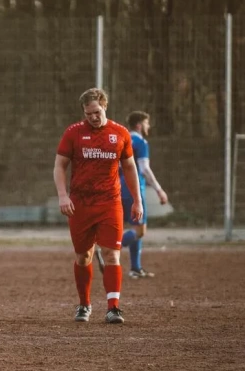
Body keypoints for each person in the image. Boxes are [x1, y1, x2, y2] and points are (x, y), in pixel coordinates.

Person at [53, 88, 144, 324]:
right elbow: (60, 166)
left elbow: (130, 168)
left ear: (105, 107)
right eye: (88, 113)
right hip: (80, 204)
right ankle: (84, 305)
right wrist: (63, 196)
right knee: (83, 257)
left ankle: (113, 307)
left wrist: (137, 200)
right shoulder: (73, 133)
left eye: (96, 112)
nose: (93, 117)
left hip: (109, 202)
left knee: (111, 254)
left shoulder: (120, 133)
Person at [97, 111, 168, 279]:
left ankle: (135, 267)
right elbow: (144, 169)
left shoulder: (121, 139)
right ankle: (106, 249)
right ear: (139, 125)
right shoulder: (140, 142)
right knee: (140, 231)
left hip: (117, 188)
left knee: (133, 228)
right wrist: (159, 189)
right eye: (146, 123)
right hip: (133, 189)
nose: (148, 126)